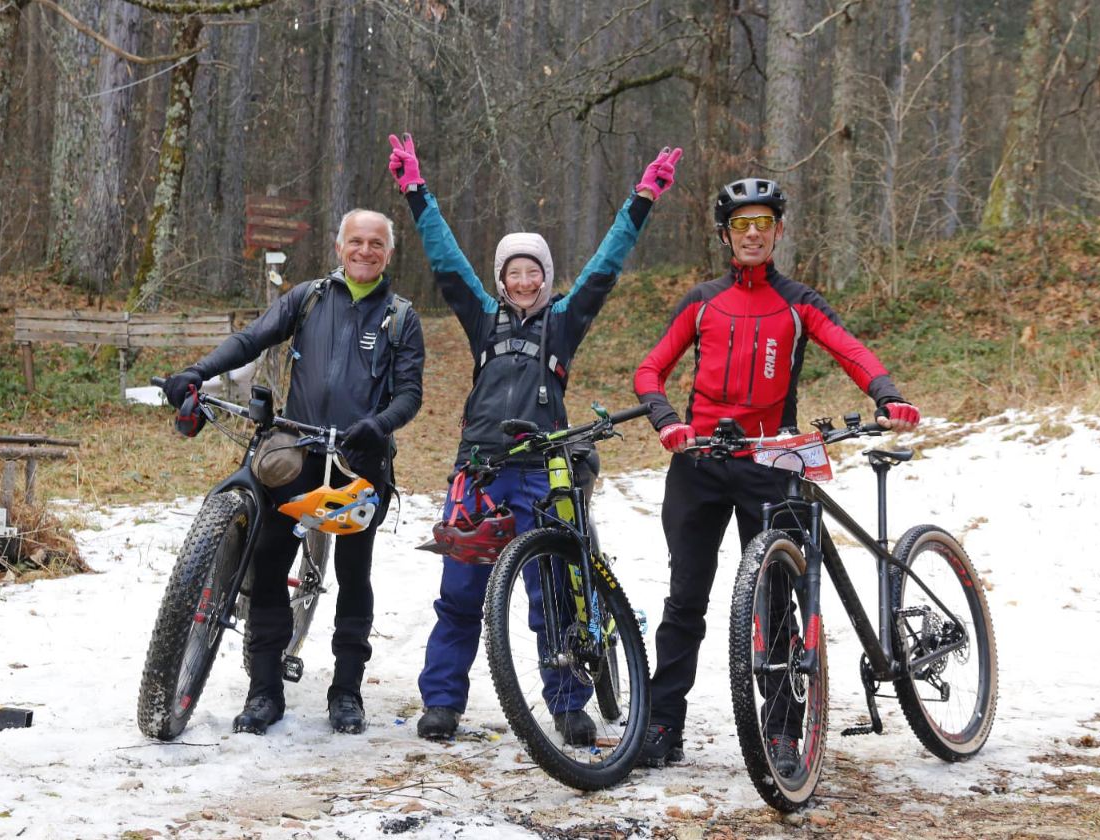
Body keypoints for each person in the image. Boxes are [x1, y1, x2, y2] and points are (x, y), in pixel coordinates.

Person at [387, 132, 681, 743]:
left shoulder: (562, 323)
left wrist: (642, 200)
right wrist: (416, 192)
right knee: (460, 593)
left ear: (546, 278)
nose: (524, 282)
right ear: (501, 279)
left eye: (534, 273)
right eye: (514, 273)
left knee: (552, 597)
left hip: (542, 474)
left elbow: (604, 267)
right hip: (479, 472)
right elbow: (446, 260)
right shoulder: (482, 318)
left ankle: (568, 705)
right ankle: (442, 702)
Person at [633, 177, 920, 771]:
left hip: (771, 462)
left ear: (779, 231)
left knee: (779, 602)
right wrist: (666, 420)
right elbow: (649, 370)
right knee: (685, 600)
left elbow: (850, 349)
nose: (753, 233)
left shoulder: (798, 301)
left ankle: (786, 731)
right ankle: (662, 725)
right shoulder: (702, 300)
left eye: (763, 222)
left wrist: (886, 394)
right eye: (741, 224)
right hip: (699, 463)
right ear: (725, 235)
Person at [162, 209, 425, 736]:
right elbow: (251, 339)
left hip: (358, 461)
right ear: (339, 247)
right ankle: (264, 691)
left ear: (389, 253)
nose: (365, 250)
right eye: (356, 241)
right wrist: (198, 372)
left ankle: (346, 692)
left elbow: (410, 393)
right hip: (296, 453)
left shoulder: (401, 317)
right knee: (268, 563)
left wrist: (379, 425)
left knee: (354, 574)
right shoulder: (309, 298)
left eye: (376, 243)